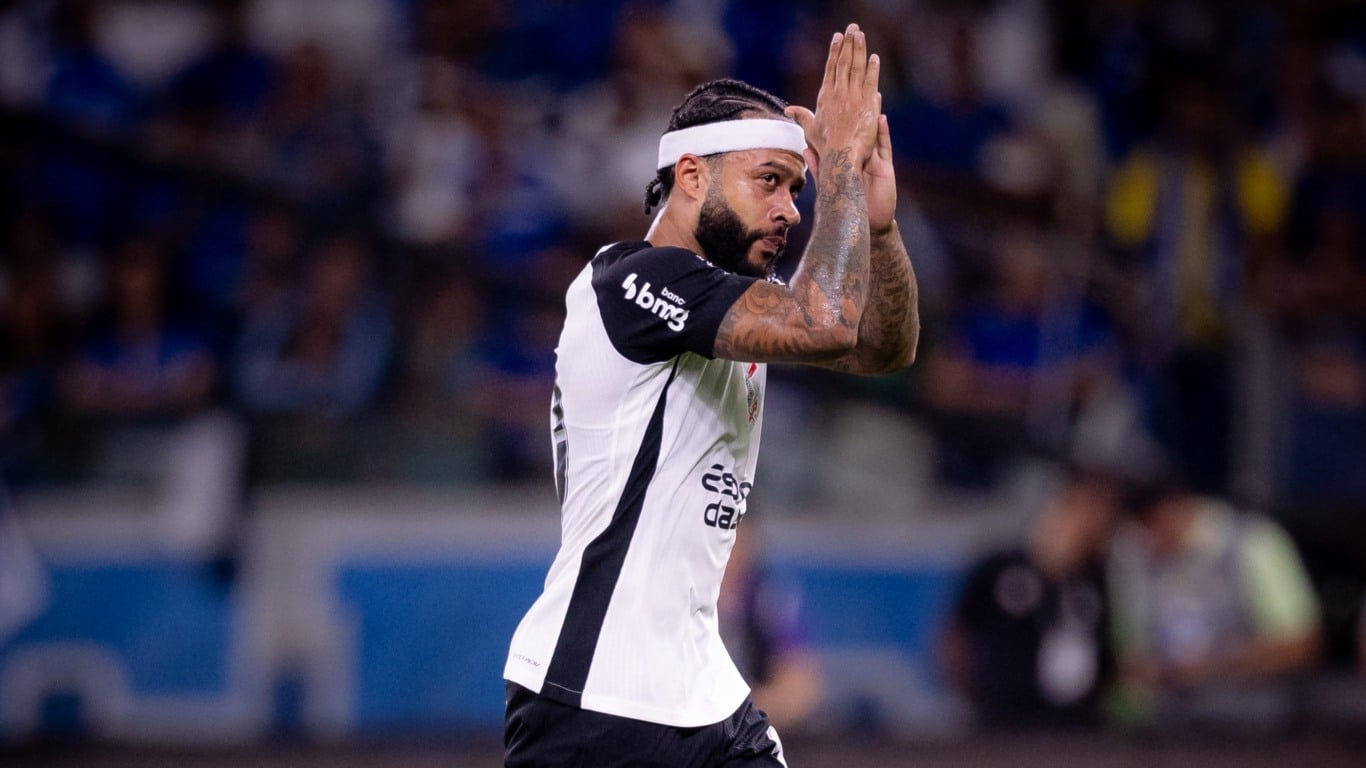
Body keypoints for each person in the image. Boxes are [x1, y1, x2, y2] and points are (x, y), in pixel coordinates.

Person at [503, 23, 919, 767]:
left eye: (799, 186)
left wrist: (878, 227)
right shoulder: (632, 279)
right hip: (596, 697)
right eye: (769, 181)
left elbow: (885, 347)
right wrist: (844, 173)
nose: (792, 209)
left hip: (702, 692)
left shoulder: (736, 305)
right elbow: (824, 322)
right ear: (691, 176)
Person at [1106, 477, 1323, 737]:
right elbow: (1131, 652)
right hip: (1170, 730)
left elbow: (1302, 646)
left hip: (1259, 731)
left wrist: (1210, 667)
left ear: (1171, 511)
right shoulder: (1132, 553)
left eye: (1149, 533)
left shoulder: (1254, 543)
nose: (1144, 546)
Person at [940, 464, 1119, 729]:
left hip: (1076, 726)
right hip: (1002, 721)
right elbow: (956, 638)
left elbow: (1111, 652)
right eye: (1087, 511)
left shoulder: (1096, 579)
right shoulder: (999, 567)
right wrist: (978, 698)